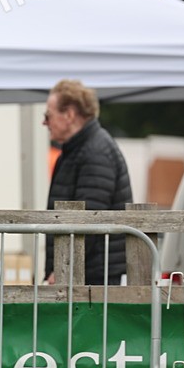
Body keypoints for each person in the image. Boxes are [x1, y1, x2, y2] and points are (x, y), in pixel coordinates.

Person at [43, 79, 133, 285]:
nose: (44, 122)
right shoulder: (79, 149)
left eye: (48, 115)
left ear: (69, 115)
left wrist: (63, 269)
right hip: (87, 272)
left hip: (93, 278)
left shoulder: (94, 152)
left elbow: (89, 221)